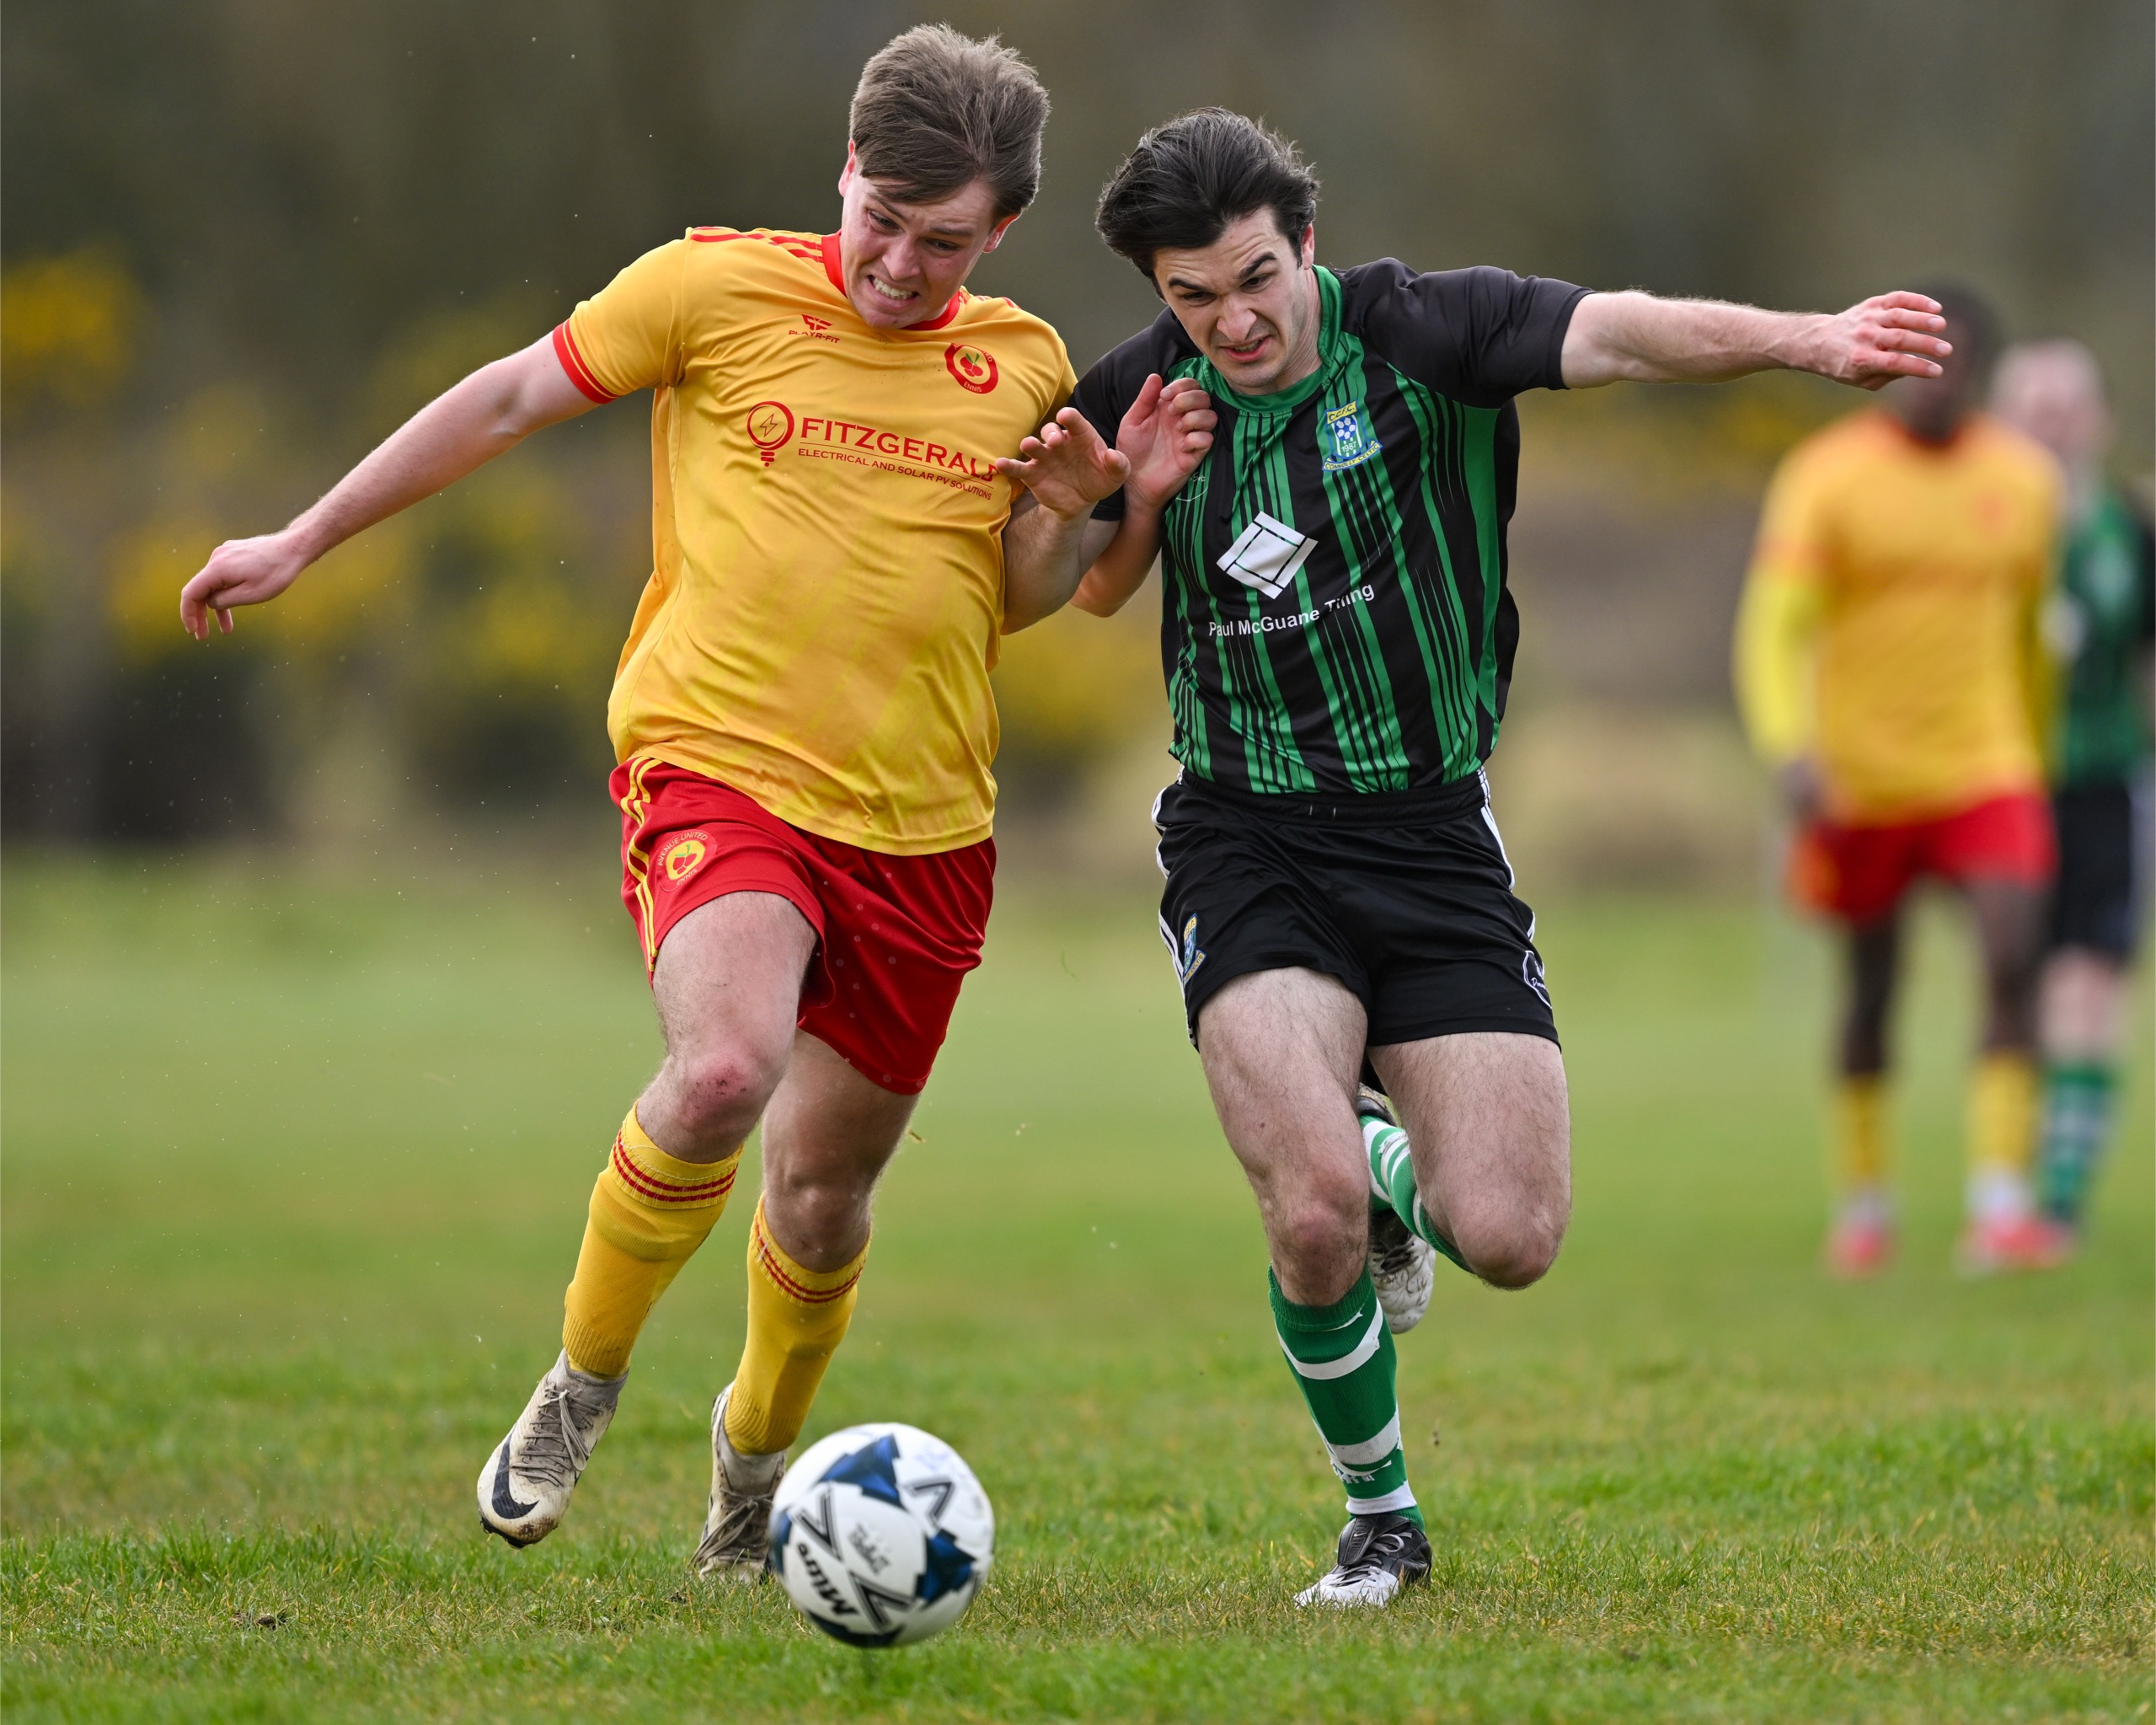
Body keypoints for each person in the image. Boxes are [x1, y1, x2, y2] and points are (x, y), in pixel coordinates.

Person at [177, 26, 1204, 1580]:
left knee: (820, 1195)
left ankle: (751, 1465)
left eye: (944, 243)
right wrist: (304, 539)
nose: (901, 268)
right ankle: (581, 1383)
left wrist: (1068, 519)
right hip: (714, 764)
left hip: (924, 832)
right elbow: (511, 398)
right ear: (844, 173)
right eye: (882, 223)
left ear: (997, 232)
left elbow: (1011, 601)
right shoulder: (709, 289)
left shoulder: (1025, 366)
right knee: (723, 1069)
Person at [1061, 108, 1952, 1609]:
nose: (1231, 320)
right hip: (1242, 831)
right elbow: (1063, 592)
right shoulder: (1140, 393)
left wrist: (1808, 340)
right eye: (1189, 296)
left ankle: (1389, 1172)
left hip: (1428, 834)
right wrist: (1128, 499)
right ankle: (1379, 1515)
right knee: (1307, 1206)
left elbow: (1625, 333)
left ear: (1306, 247)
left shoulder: (1422, 327)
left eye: (1253, 277)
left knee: (1511, 1235)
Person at [1734, 285, 2065, 1280]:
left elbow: (2030, 642)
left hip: (1984, 767)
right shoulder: (1827, 478)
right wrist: (1790, 748)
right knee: (1871, 988)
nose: (1938, 377)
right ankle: (1866, 1205)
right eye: (1922, 357)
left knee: (2014, 953)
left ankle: (2001, 1204)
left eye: (1958, 360)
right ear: (1891, 364)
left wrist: (2033, 755)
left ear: (1983, 376)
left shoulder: (2026, 482)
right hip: (1860, 775)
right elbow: (1774, 625)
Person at [1991, 340, 2154, 1251]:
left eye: (2067, 405)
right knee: (2016, 982)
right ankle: (2009, 1180)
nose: (2051, 422)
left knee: (2088, 979)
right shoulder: (1979, 524)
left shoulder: (2128, 528)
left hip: (2102, 782)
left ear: (2099, 419)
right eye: (2032, 405)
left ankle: (2058, 1199)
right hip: (2000, 784)